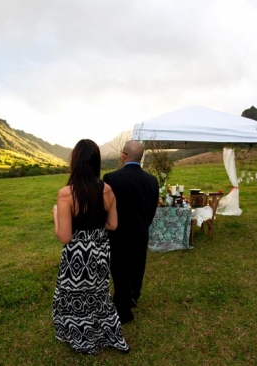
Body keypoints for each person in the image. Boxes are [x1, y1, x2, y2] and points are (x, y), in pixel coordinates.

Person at [52, 139, 130, 355]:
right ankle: (105, 332)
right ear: (96, 162)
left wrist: (56, 216)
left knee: (75, 296)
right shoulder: (107, 190)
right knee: (99, 295)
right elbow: (113, 224)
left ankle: (80, 337)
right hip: (101, 252)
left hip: (78, 255)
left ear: (74, 161)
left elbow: (65, 237)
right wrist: (94, 230)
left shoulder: (66, 194)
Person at [103, 140, 159, 324]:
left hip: (118, 234)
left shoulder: (111, 178)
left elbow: (107, 208)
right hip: (141, 232)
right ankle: (134, 295)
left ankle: (123, 307)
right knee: (137, 266)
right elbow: (152, 209)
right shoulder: (152, 181)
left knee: (119, 269)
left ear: (124, 156)